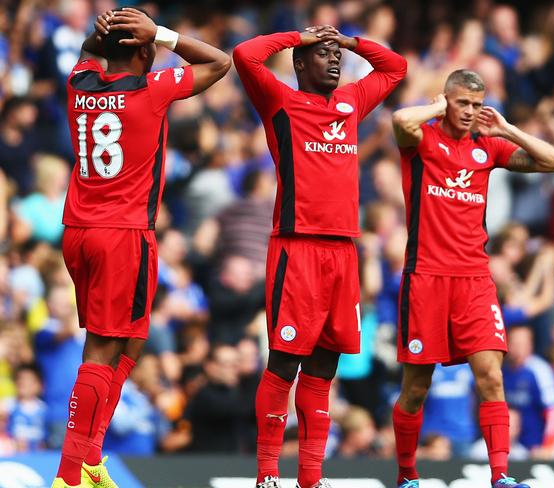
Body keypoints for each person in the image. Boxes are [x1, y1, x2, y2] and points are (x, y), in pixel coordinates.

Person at [51, 7, 231, 488]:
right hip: (122, 233)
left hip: (81, 230)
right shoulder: (151, 91)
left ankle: (89, 458)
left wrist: (107, 33)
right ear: (148, 52)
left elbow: (91, 51)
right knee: (102, 349)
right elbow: (220, 62)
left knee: (131, 337)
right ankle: (69, 477)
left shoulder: (79, 84)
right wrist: (165, 33)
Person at [233, 24, 406, 488]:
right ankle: (267, 473)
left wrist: (351, 43)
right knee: (285, 360)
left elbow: (396, 67)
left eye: (337, 56)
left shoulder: (350, 103)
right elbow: (246, 55)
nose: (334, 61)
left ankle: (312, 476)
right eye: (323, 54)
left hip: (345, 250)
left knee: (325, 366)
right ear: (300, 64)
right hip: (298, 244)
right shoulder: (281, 103)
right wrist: (298, 36)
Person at [390, 69, 554, 488]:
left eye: (476, 104)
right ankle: (407, 475)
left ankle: (501, 476)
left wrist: (508, 129)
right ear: (447, 100)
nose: (469, 112)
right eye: (462, 103)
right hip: (426, 278)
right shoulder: (422, 140)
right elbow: (400, 120)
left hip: (474, 279)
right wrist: (435, 106)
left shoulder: (487, 148)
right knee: (416, 388)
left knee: (490, 375)